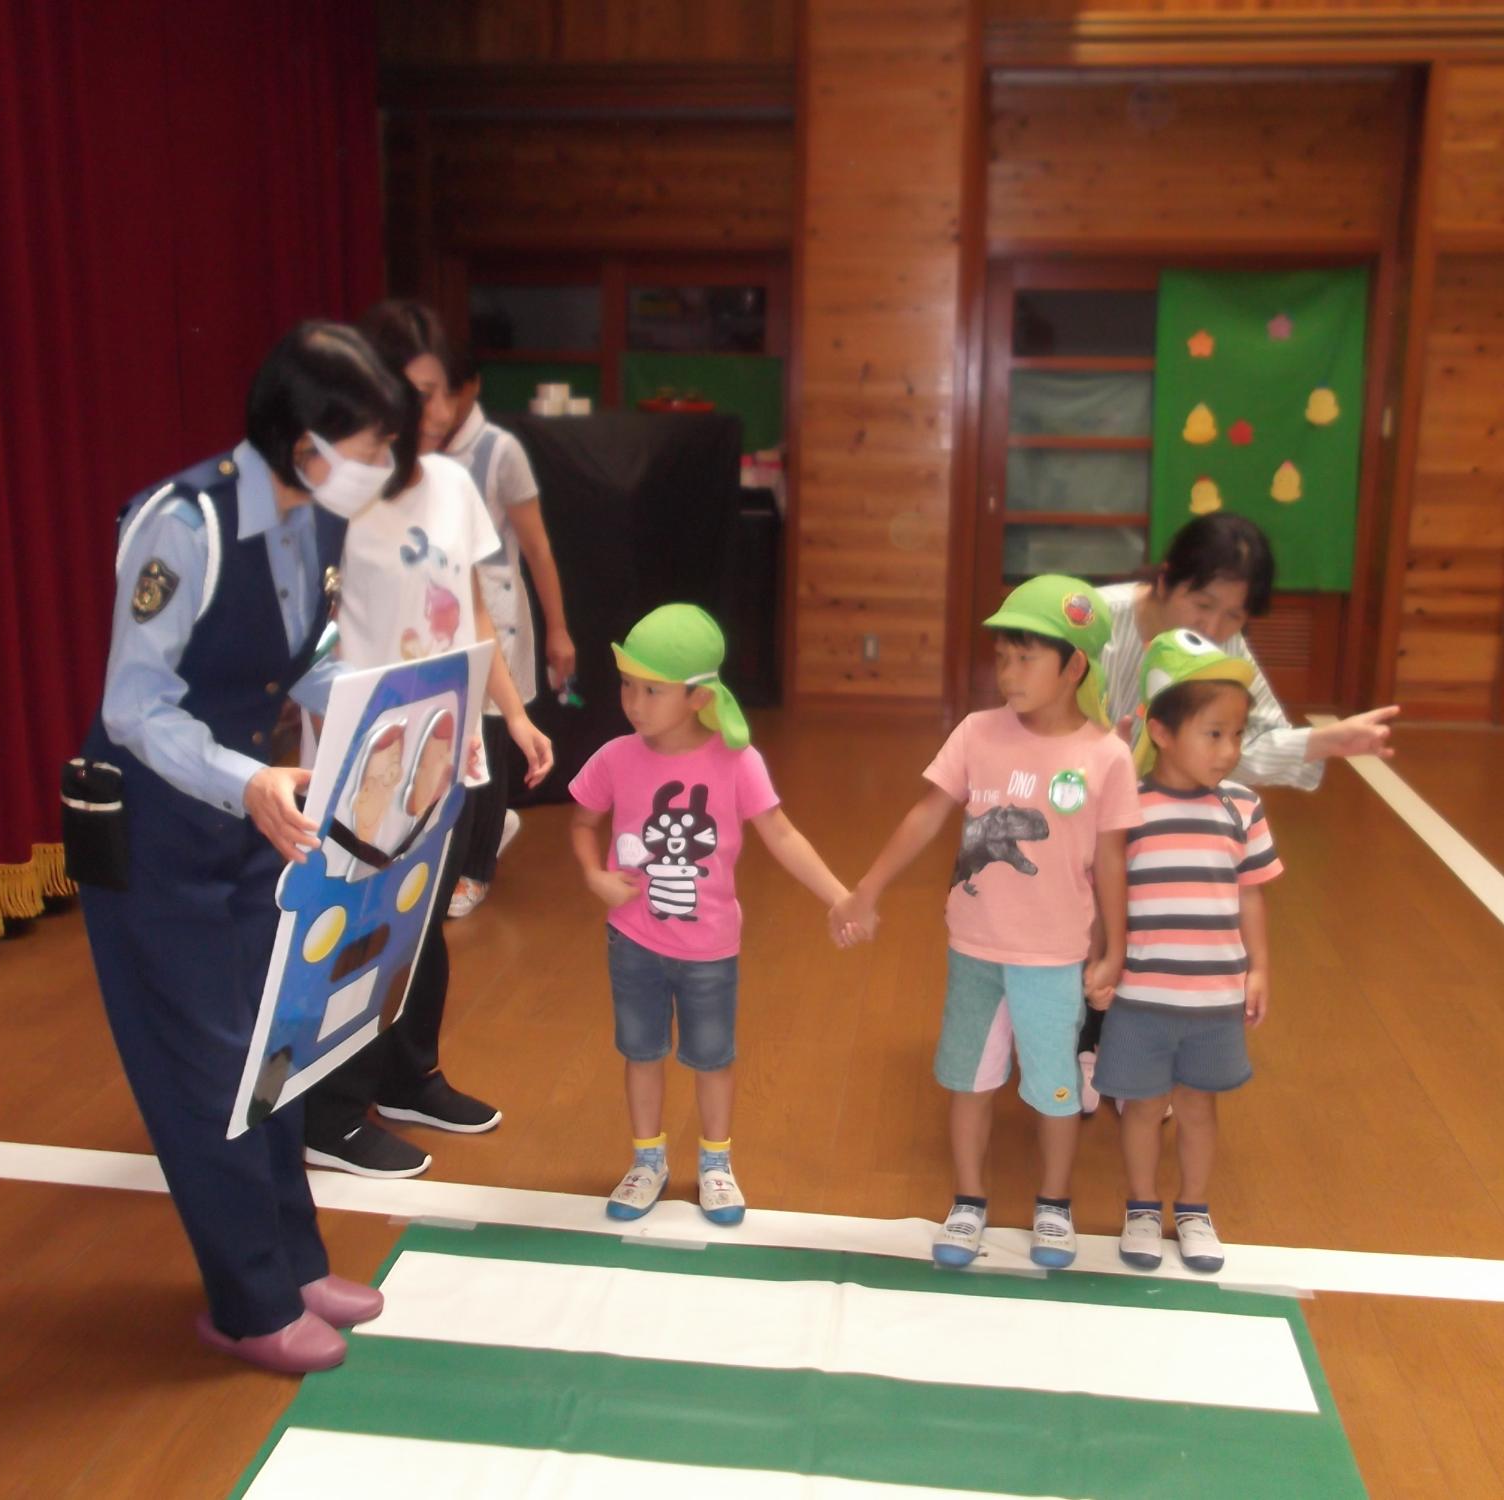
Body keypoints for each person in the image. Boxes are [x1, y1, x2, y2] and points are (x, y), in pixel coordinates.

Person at [76, 321, 407, 1374]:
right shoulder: (184, 524)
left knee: (273, 1046)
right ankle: (246, 1301)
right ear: (303, 441)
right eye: (365, 445)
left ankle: (293, 1262)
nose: (380, 467)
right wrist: (245, 778)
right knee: (204, 1068)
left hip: (254, 815)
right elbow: (134, 708)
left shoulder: (309, 522)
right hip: (161, 827)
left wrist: (372, 718)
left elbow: (298, 660)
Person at [299, 299, 555, 1181]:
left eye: (435, 393)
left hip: (449, 746)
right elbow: (311, 629)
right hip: (364, 756)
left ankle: (410, 1075)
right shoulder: (335, 494)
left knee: (423, 923)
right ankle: (328, 1113)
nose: (426, 412)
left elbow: (476, 604)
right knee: (360, 932)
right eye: (409, 392)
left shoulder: (450, 484)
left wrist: (512, 710)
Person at [831, 577, 1140, 1270]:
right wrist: (866, 889)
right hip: (974, 949)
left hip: (1054, 957)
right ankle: (968, 1201)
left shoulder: (1105, 757)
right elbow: (926, 815)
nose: (1008, 672)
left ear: (1075, 666)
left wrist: (1116, 950)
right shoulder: (977, 732)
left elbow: (1113, 863)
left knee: (1056, 1088)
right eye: (1003, 656)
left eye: (1026, 657)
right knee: (968, 1081)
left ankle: (1054, 1206)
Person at [1076, 513, 1396, 1111]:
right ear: (1166, 580)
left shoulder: (1219, 647)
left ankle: (1131, 1047)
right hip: (1078, 805)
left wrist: (1324, 742)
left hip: (1154, 820)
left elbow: (1242, 744)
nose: (1217, 627)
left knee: (1166, 911)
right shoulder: (1095, 620)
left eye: (1235, 616)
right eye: (1203, 605)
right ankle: (1074, 1030)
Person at [568, 604, 854, 1226]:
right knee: (641, 1051)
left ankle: (716, 1164)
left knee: (712, 1057)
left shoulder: (735, 760)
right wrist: (594, 876)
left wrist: (838, 894)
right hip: (633, 941)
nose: (633, 702)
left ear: (699, 697)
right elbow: (583, 821)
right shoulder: (617, 757)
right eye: (626, 685)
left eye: (652, 689)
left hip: (710, 948)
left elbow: (781, 835)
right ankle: (648, 1160)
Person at [1095, 629, 1284, 1275]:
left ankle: (1194, 1209)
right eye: (1213, 733)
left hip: (1214, 999)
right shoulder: (1130, 807)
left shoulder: (1243, 808)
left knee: (1199, 1108)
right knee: (1143, 1108)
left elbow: (1252, 894)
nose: (1229, 751)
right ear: (1163, 730)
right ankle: (1143, 1207)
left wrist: (1258, 968)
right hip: (1143, 996)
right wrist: (1104, 959)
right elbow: (1107, 890)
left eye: (1237, 735)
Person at [443, 347, 578, 919]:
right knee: (454, 733)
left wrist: (559, 630)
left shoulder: (500, 452)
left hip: (496, 603)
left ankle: (477, 868)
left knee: (494, 734)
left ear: (470, 387)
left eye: (444, 391)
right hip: (443, 605)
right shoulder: (417, 455)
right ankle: (486, 830)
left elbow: (539, 548)